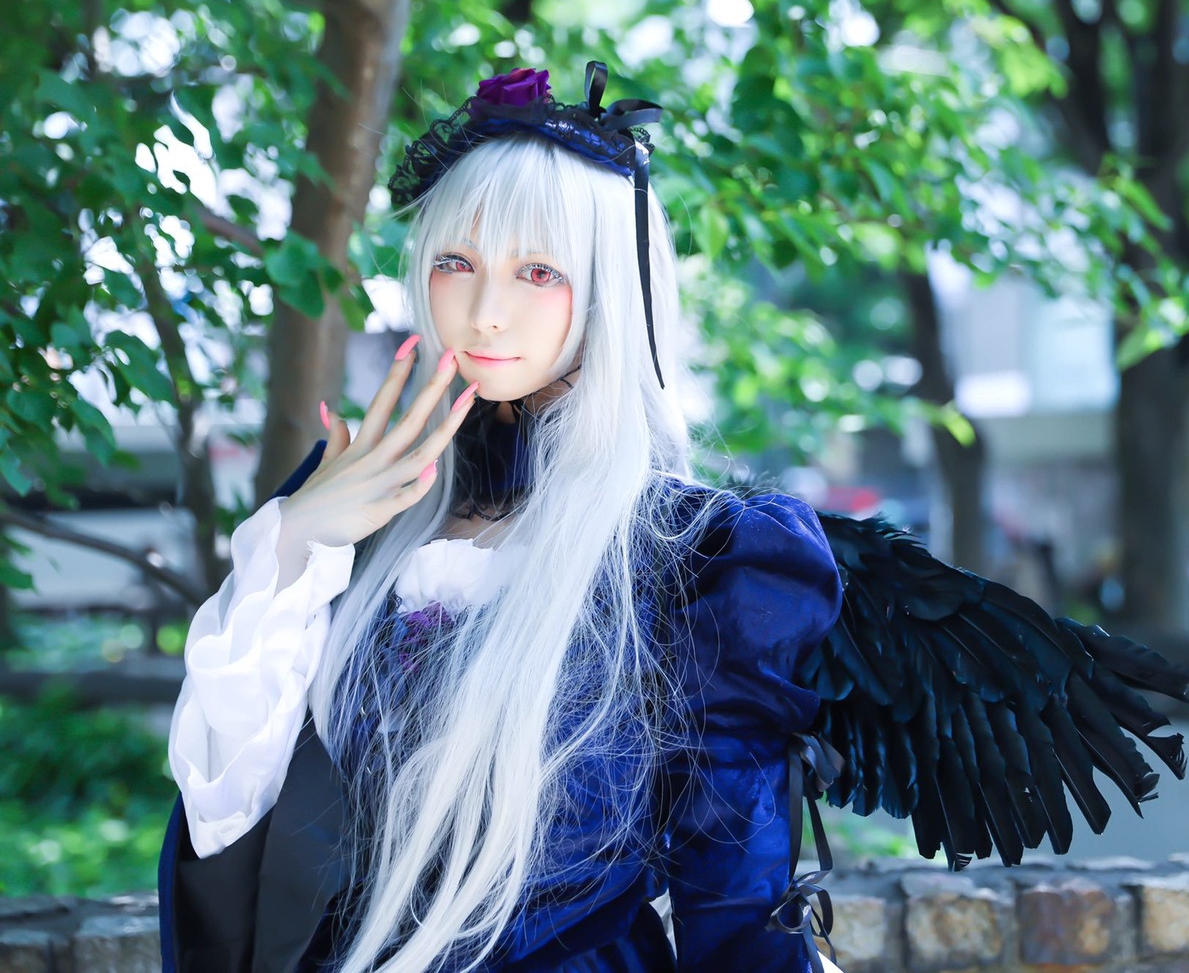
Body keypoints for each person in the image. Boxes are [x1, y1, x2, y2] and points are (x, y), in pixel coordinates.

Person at [158, 62, 845, 972]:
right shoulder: (355, 519)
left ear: (608, 286)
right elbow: (229, 818)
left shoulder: (703, 558)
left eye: (537, 270)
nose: (484, 312)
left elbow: (738, 904)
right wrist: (293, 540)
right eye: (456, 263)